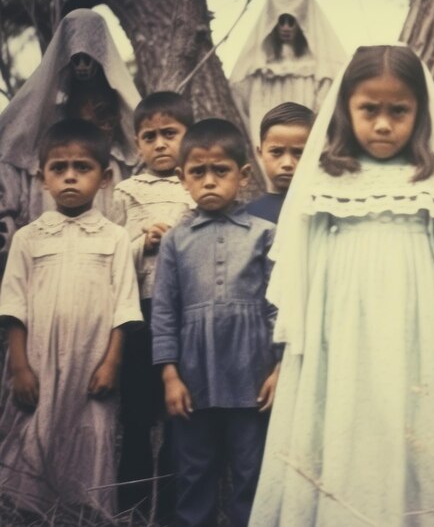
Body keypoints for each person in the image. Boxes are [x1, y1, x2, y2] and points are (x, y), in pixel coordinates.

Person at [249, 45, 434, 526]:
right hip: (343, 324)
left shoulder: (432, 177)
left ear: (419, 112)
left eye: (399, 111)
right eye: (368, 109)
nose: (382, 124)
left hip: (419, 325)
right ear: (346, 109)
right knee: (347, 415)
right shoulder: (327, 177)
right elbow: (302, 258)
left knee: (414, 415)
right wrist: (308, 330)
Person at [0, 119, 142, 517]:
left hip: (92, 357)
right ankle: (29, 507)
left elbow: (124, 306)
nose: (69, 177)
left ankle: (85, 505)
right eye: (58, 168)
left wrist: (112, 362)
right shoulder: (29, 237)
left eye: (82, 167)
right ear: (43, 178)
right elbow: (14, 306)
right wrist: (19, 366)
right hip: (40, 357)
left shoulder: (113, 236)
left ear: (104, 178)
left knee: (91, 429)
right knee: (37, 425)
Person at [151, 118, 282, 527]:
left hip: (252, 377)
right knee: (194, 472)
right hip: (193, 380)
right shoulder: (175, 240)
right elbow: (164, 309)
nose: (209, 181)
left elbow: (280, 305)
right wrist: (170, 375)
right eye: (198, 172)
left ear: (242, 175)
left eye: (220, 171)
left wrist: (279, 368)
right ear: (182, 178)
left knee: (250, 471)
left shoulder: (265, 235)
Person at [0, 8, 139, 273]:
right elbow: (19, 133)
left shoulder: (114, 96)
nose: (83, 67)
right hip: (65, 173)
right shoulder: (55, 100)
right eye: (76, 60)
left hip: (103, 179)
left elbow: (130, 134)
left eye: (89, 59)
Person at [112, 91, 196, 518]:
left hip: (185, 314)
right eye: (149, 136)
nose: (160, 144)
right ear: (136, 143)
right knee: (139, 411)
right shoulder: (126, 191)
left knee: (180, 412)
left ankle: (173, 506)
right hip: (142, 313)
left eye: (170, 134)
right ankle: (135, 505)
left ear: (189, 135)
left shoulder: (198, 183)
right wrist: (140, 242)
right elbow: (110, 249)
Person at [229, 0, 346, 151]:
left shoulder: (319, 68)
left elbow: (326, 108)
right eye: (281, 21)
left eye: (291, 22)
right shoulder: (259, 67)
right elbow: (242, 99)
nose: (285, 27)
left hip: (305, 136)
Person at [247, 102, 315, 223]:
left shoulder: (324, 211)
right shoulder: (247, 216)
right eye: (277, 152)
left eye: (299, 153)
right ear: (260, 153)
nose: (287, 163)